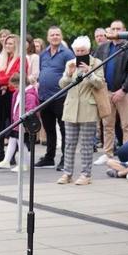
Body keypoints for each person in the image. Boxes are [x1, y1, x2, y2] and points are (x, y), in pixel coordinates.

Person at [56, 36, 105, 186]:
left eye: (83, 51)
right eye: (77, 51)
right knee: (69, 143)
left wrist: (89, 72)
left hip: (88, 109)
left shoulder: (96, 63)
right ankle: (67, 173)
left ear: (89, 50)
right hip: (70, 108)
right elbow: (62, 85)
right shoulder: (70, 63)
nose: (80, 53)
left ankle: (86, 174)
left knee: (86, 144)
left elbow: (100, 84)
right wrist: (68, 74)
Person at [93, 20, 128, 166]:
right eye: (113, 28)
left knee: (126, 125)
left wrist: (123, 90)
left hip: (124, 92)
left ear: (124, 30)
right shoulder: (103, 47)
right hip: (106, 91)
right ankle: (107, 153)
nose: (116, 31)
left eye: (119, 28)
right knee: (107, 125)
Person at [36, 26, 75, 170]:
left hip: (61, 96)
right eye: (52, 35)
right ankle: (49, 157)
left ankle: (66, 159)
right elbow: (41, 71)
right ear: (47, 38)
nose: (55, 37)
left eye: (57, 34)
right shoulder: (43, 54)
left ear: (61, 36)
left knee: (64, 130)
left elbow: (73, 74)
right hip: (45, 97)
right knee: (49, 129)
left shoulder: (67, 53)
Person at [0, 35, 25, 165]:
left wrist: (1, 80)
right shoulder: (2, 58)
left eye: (11, 43)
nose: (8, 46)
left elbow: (15, 75)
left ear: (16, 45)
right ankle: (0, 154)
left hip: (12, 94)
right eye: (6, 43)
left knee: (12, 126)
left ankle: (11, 156)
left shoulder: (21, 59)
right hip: (0, 94)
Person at [0, 72, 39, 170]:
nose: (15, 88)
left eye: (16, 86)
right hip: (16, 122)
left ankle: (23, 164)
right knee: (12, 140)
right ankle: (6, 160)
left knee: (21, 143)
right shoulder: (18, 93)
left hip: (23, 124)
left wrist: (24, 123)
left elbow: (30, 111)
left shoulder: (29, 95)